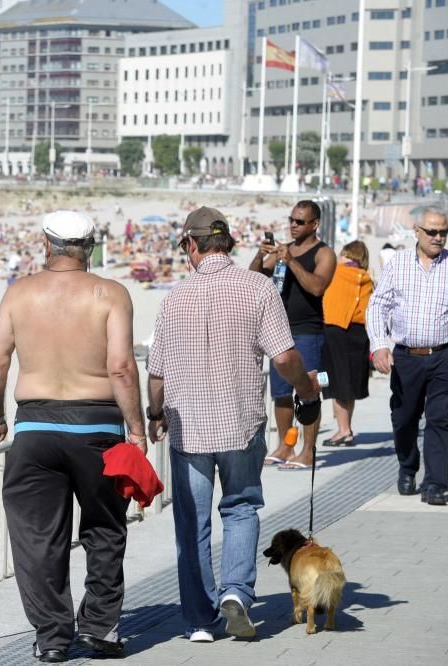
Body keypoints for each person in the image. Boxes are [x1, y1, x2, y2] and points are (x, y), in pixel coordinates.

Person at [147, 207, 321, 644]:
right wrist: (308, 389)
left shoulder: (174, 299)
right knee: (241, 508)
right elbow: (283, 357)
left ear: (191, 245)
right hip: (240, 422)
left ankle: (201, 621)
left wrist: (154, 414)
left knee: (193, 522)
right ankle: (238, 593)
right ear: (227, 243)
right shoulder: (259, 288)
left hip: (189, 429)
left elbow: (156, 375)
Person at [0, 210, 145, 661]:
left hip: (35, 426)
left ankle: (52, 639)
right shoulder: (110, 293)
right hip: (98, 426)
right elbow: (120, 367)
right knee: (106, 529)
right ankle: (99, 629)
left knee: (38, 539)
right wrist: (137, 428)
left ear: (46, 244)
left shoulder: (19, 293)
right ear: (89, 246)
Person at [366, 207, 448, 506]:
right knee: (404, 418)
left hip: (446, 354)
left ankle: (435, 484)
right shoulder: (398, 265)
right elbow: (378, 306)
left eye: (443, 231)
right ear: (416, 231)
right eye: (431, 231)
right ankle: (407, 466)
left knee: (440, 419)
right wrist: (380, 345)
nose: (438, 237)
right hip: (406, 356)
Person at [249, 200, 336, 470]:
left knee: (309, 391)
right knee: (281, 393)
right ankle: (286, 446)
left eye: (300, 222)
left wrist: (291, 261)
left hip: (309, 332)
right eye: (291, 220)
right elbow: (254, 279)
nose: (293, 226)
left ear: (315, 224)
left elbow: (317, 288)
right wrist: (259, 255)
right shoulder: (283, 250)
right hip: (279, 331)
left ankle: (308, 451)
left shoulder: (324, 253)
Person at [320, 241, 374, 447]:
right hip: (359, 333)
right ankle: (346, 427)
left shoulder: (336, 272)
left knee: (337, 384)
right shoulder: (366, 278)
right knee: (349, 384)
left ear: (346, 255)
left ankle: (343, 431)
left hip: (336, 329)